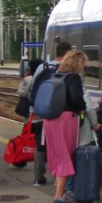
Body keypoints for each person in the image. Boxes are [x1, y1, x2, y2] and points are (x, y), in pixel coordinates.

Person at [45, 48, 87, 203]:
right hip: (66, 119)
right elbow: (76, 97)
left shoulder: (55, 75)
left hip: (51, 119)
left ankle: (60, 190)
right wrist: (81, 108)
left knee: (57, 154)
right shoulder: (73, 78)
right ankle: (59, 195)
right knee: (65, 156)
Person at [30, 42, 72, 186]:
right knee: (60, 144)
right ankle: (58, 177)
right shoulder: (68, 69)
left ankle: (38, 176)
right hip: (62, 112)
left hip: (43, 111)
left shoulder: (43, 67)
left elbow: (34, 86)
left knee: (41, 144)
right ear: (67, 53)